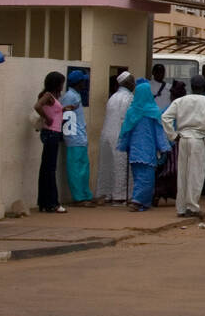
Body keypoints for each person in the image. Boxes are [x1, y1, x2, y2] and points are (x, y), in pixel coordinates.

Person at [162, 79, 205, 218]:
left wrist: (173, 135)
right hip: (198, 140)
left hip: (183, 139)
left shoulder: (180, 101)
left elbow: (165, 117)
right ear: (204, 86)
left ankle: (181, 208)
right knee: (195, 174)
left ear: (191, 86)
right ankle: (192, 207)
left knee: (183, 174)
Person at [116, 81, 172, 212]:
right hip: (148, 150)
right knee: (146, 178)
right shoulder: (153, 111)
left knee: (138, 177)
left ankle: (143, 202)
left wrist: (124, 146)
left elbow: (126, 131)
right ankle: (137, 201)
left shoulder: (132, 112)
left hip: (134, 150)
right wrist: (164, 148)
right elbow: (159, 133)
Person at [98, 71, 135, 205]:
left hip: (107, 134)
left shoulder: (113, 97)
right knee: (121, 165)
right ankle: (120, 196)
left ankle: (108, 194)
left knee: (109, 165)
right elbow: (129, 118)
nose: (134, 84)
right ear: (128, 83)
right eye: (133, 81)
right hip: (120, 135)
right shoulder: (129, 97)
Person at [33, 71, 67, 213]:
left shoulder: (50, 96)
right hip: (51, 133)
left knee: (46, 169)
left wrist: (64, 109)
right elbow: (37, 106)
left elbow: (52, 110)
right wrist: (47, 118)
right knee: (50, 169)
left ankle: (44, 202)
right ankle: (52, 202)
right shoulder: (48, 95)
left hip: (51, 133)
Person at [60, 70, 95, 206]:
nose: (84, 83)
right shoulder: (70, 96)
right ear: (78, 82)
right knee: (76, 169)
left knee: (83, 167)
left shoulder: (75, 95)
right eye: (82, 81)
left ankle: (86, 194)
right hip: (74, 136)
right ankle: (79, 197)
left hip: (80, 136)